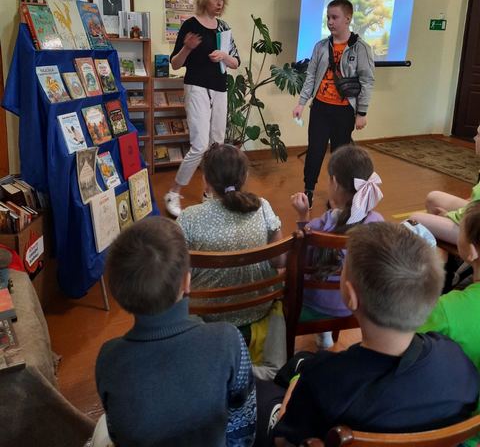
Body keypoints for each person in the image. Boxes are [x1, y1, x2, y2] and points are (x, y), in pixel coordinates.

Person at [266, 222, 479, 446]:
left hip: (314, 398)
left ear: (351, 296)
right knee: (301, 362)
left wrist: (294, 389)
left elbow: (283, 441)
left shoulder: (323, 377)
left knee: (283, 382)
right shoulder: (457, 359)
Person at [95, 216, 256, 447]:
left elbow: (118, 432)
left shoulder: (109, 358)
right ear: (187, 282)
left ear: (118, 294)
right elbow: (244, 425)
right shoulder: (227, 341)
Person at [177, 143, 285, 379]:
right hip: (259, 307)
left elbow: (179, 275)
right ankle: (256, 372)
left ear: (205, 180)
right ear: (244, 177)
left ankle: (215, 368)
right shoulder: (262, 208)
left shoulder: (188, 218)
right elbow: (279, 261)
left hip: (208, 314)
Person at [290, 144, 383, 348]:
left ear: (334, 182)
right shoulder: (377, 223)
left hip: (316, 303)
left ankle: (322, 333)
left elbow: (300, 261)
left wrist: (303, 217)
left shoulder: (318, 226)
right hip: (357, 303)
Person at [164, 0, 240, 217]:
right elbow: (175, 64)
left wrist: (224, 56)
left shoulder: (224, 28)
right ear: (204, 0)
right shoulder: (190, 25)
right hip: (196, 87)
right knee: (199, 146)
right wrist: (187, 48)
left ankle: (209, 192)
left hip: (220, 89)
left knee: (216, 146)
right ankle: (173, 192)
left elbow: (235, 63)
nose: (219, 3)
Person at [292, 0, 375, 208]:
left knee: (340, 156)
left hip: (344, 111)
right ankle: (308, 190)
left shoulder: (361, 48)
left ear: (347, 19)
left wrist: (362, 112)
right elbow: (311, 76)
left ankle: (340, 195)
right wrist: (301, 103)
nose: (330, 22)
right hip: (321, 108)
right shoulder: (321, 46)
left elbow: (367, 81)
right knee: (315, 150)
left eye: (334, 17)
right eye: (328, 17)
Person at [419, 201, 480, 447]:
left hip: (455, 430)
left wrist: (435, 271)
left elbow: (399, 337)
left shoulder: (447, 309)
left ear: (472, 252)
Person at [410, 123, 480, 245]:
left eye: (478, 135)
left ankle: (457, 249)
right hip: (473, 216)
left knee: (414, 220)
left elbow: (472, 215)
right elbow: (474, 202)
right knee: (434, 197)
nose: (475, 138)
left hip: (475, 227)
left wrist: (448, 216)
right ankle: (439, 241)